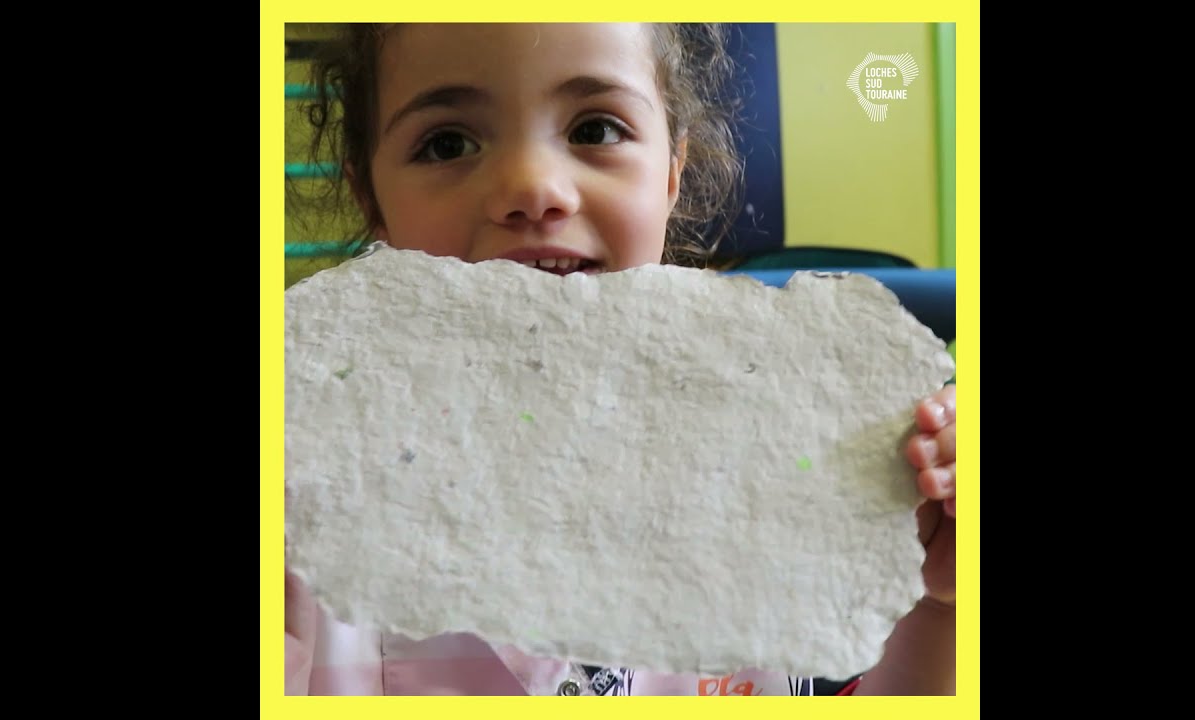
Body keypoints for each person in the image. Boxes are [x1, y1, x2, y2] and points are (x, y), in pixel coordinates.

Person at [284, 22, 957, 696]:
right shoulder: (302, 517)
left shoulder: (775, 471)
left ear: (671, 173)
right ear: (373, 200)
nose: (533, 186)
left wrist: (940, 605)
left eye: (596, 130)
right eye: (448, 144)